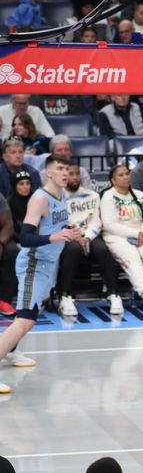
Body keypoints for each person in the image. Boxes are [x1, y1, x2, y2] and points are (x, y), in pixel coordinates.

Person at [0, 155, 76, 394]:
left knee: (33, 313)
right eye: (60, 169)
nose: (65, 173)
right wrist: (53, 237)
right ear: (48, 174)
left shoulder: (62, 196)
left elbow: (54, 227)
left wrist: (70, 231)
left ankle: (10, 353)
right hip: (35, 263)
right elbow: (25, 237)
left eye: (67, 168)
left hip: (48, 264)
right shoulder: (40, 199)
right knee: (24, 319)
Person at [100, 164, 143, 313]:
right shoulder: (108, 197)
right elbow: (109, 224)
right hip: (116, 236)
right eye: (121, 175)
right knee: (131, 255)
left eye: (127, 173)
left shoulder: (139, 194)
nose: (126, 176)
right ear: (113, 180)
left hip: (141, 234)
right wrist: (136, 234)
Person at [58, 162, 123, 317]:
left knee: (101, 249)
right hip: (68, 237)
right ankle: (65, 296)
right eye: (70, 174)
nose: (74, 177)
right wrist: (77, 237)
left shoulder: (92, 195)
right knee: (73, 249)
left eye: (76, 174)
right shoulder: (57, 198)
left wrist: (86, 238)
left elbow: (96, 221)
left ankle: (113, 293)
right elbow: (59, 224)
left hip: (89, 235)